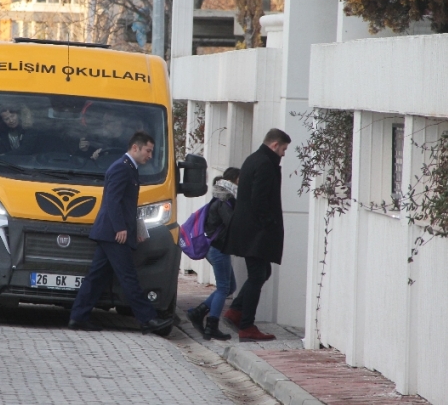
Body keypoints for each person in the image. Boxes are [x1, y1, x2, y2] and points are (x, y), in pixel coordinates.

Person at [68, 132, 173, 335]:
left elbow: (128, 206)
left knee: (96, 277)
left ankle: (78, 317)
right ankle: (147, 319)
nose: (150, 155)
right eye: (148, 151)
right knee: (128, 277)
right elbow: (113, 202)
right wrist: (121, 229)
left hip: (111, 233)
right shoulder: (121, 168)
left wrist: (137, 229)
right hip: (113, 234)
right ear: (135, 148)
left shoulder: (129, 168)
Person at [222, 128, 291, 341]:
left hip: (249, 230)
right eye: (283, 149)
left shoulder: (254, 159)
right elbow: (259, 200)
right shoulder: (264, 164)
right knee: (257, 275)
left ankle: (236, 312)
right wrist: (268, 223)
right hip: (256, 232)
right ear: (274, 145)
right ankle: (246, 325)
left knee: (262, 273)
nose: (284, 154)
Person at [186, 167, 240, 341]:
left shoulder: (222, 197)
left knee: (230, 286)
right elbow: (232, 223)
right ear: (234, 180)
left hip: (216, 249)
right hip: (217, 249)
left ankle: (198, 312)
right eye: (240, 180)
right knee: (224, 288)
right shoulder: (224, 201)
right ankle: (212, 325)